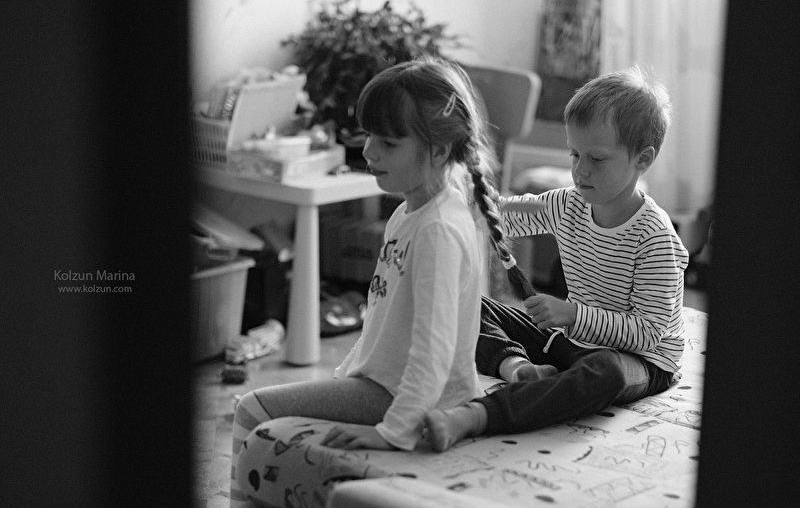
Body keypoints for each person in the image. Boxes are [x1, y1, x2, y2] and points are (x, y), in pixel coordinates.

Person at [229, 57, 539, 506]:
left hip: (406, 395)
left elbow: (433, 349)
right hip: (382, 383)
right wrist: (341, 381)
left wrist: (393, 430)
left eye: (389, 143)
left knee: (250, 408)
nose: (369, 151)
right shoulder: (408, 213)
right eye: (369, 135)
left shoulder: (437, 229)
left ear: (439, 151)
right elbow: (381, 319)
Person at [424, 65, 690, 451]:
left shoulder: (655, 238)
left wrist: (572, 314)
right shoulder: (568, 203)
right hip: (571, 342)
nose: (580, 170)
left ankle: (479, 415)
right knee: (467, 306)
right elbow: (503, 215)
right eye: (574, 154)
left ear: (642, 159)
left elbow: (648, 332)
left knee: (605, 372)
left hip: (640, 360)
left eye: (596, 158)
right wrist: (463, 191)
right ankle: (518, 367)